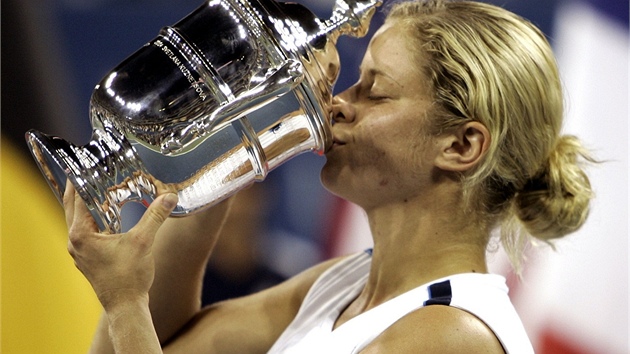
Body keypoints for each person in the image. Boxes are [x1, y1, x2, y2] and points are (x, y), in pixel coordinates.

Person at [64, 1, 594, 353]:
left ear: (460, 146)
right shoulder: (340, 285)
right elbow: (159, 344)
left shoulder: (450, 335)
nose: (338, 104)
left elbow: (134, 326)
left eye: (375, 89)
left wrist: (128, 301)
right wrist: (236, 131)